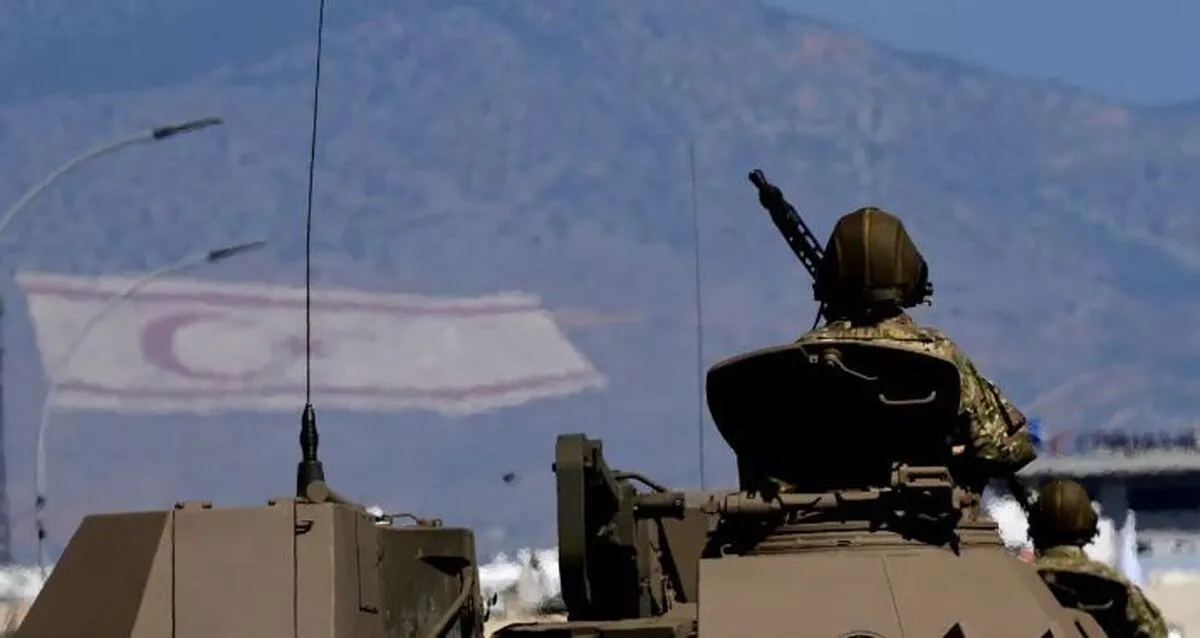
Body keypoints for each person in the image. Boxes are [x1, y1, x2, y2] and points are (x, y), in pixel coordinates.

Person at [795, 207, 1037, 489]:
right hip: (922, 513)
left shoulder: (799, 358)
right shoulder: (938, 355)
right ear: (910, 273)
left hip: (813, 512)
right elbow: (1006, 450)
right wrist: (953, 459)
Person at [1029, 479, 1169, 638]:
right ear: (1089, 523)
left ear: (1035, 527)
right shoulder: (1118, 586)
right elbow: (1155, 632)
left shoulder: (1021, 579)